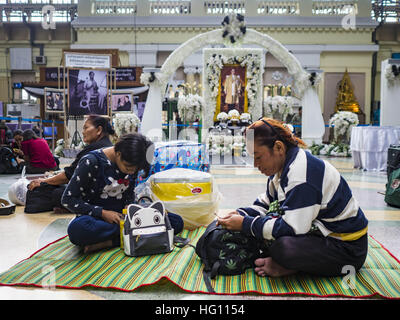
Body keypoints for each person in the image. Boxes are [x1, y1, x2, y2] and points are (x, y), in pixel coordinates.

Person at [217, 117, 368, 278]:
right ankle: (295, 262)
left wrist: (245, 224)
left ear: (278, 148)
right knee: (264, 234)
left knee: (283, 248)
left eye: (258, 157)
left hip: (347, 249)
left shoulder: (301, 174)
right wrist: (240, 214)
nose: (255, 164)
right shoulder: (284, 167)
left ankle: (290, 266)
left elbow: (292, 229)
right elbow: (266, 203)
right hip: (319, 235)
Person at [63, 133, 184, 253]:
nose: (132, 172)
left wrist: (130, 205)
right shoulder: (91, 162)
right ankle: (136, 235)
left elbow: (129, 194)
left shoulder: (133, 163)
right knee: (78, 230)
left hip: (124, 218)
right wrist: (102, 213)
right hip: (96, 218)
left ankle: (110, 242)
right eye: (128, 168)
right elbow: (68, 199)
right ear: (118, 153)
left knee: (176, 222)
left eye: (135, 169)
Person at [28, 115, 115, 211]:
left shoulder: (93, 149)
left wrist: (43, 181)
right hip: (107, 193)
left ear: (99, 130)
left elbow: (68, 176)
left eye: (86, 128)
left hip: (94, 195)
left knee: (55, 192)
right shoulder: (108, 145)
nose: (83, 132)